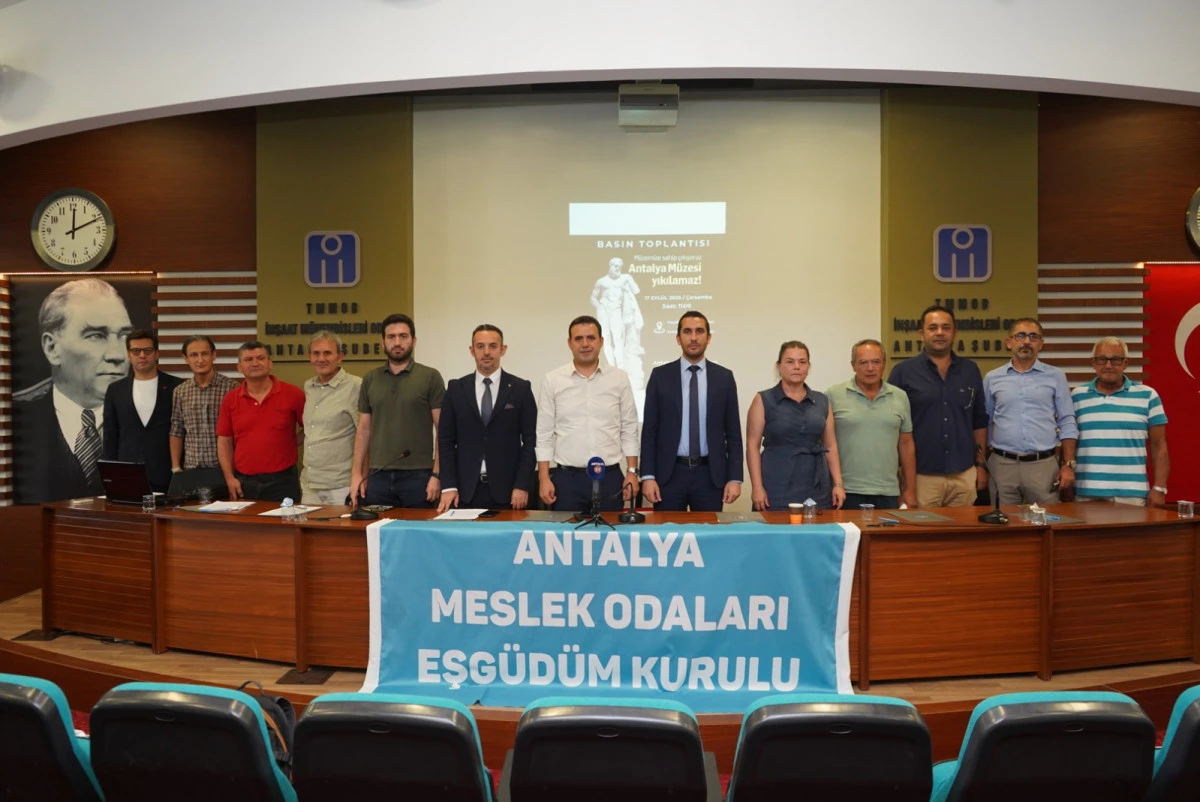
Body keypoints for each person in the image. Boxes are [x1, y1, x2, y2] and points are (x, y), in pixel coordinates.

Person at [14, 278, 133, 503]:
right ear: (52, 348)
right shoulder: (15, 414)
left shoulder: (147, 411)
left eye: (124, 336)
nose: (118, 355)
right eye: (96, 336)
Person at [639, 311, 743, 512]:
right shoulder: (660, 376)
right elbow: (649, 431)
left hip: (710, 476)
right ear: (678, 338)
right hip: (669, 475)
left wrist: (735, 478)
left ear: (708, 337)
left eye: (699, 331)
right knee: (667, 532)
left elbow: (733, 433)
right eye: (687, 332)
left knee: (708, 532)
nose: (693, 337)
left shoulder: (724, 378)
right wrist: (648, 476)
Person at [536, 315, 639, 513]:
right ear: (569, 343)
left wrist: (632, 472)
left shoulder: (619, 378)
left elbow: (629, 428)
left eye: (591, 338)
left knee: (612, 532)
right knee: (567, 533)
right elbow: (544, 434)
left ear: (601, 341)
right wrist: (544, 478)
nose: (585, 344)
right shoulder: (553, 380)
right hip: (567, 481)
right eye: (578, 339)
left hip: (609, 478)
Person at [888, 305, 988, 507]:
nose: (940, 333)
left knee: (963, 528)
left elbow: (979, 422)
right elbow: (892, 426)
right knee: (921, 528)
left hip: (964, 475)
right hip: (920, 477)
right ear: (921, 334)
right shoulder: (903, 372)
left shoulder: (970, 370)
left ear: (954, 333)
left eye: (946, 327)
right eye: (933, 328)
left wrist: (981, 465)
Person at [437, 324, 537, 512]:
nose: (486, 352)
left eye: (492, 346)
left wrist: (522, 485)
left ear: (503, 349)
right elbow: (445, 441)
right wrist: (449, 485)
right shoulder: (456, 388)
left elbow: (530, 441)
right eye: (480, 346)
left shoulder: (520, 388)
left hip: (509, 492)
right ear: (471, 350)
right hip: (465, 491)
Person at [351, 314, 445, 508]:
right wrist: (357, 474)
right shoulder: (370, 379)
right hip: (378, 475)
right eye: (391, 337)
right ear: (383, 342)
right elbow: (364, 430)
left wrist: (436, 474)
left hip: (419, 476)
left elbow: (442, 430)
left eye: (403, 336)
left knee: (418, 528)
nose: (397, 342)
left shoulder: (430, 377)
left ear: (414, 341)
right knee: (377, 527)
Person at [983, 318, 1078, 505]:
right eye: (1020, 336)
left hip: (1043, 466)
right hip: (1002, 465)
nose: (1027, 341)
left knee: (1048, 519)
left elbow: (1067, 421)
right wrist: (982, 464)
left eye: (1033, 337)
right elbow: (984, 423)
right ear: (1009, 342)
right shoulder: (992, 378)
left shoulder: (1056, 376)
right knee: (1004, 520)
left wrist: (1068, 464)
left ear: (1041, 343)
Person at [746, 341, 844, 511]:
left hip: (817, 486)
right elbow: (752, 446)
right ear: (779, 366)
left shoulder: (822, 400)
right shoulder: (763, 399)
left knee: (818, 528)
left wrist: (838, 484)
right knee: (775, 527)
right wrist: (757, 487)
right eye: (790, 362)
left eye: (802, 362)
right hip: (776, 485)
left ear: (808, 366)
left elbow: (831, 445)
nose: (797, 367)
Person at [1071, 336, 1169, 507]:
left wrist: (1160, 488)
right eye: (1102, 359)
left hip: (1132, 493)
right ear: (1093, 363)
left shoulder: (1148, 395)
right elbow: (1069, 444)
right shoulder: (1077, 396)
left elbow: (1159, 446)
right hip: (1086, 492)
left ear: (1125, 363)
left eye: (1115, 359)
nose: (1108, 365)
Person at [827, 339, 916, 511]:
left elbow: (906, 444)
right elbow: (826, 443)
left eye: (876, 362)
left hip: (888, 491)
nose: (870, 368)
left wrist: (910, 489)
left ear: (884, 364)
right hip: (845, 491)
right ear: (853, 365)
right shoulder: (833, 395)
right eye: (863, 362)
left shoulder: (900, 396)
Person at [216, 341, 305, 501]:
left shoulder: (293, 394)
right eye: (248, 359)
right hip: (244, 482)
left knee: (287, 519)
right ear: (239, 367)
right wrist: (229, 478)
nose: (255, 363)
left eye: (260, 358)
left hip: (283, 482)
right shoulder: (230, 399)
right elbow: (224, 441)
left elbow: (311, 428)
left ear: (270, 363)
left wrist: (291, 442)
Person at [101, 329, 183, 492]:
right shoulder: (115, 390)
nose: (142, 355)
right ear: (128, 355)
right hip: (128, 474)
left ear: (156, 353)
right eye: (136, 351)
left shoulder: (177, 387)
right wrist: (109, 477)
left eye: (147, 350)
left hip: (168, 475)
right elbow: (110, 436)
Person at [300, 330, 361, 505]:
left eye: (327, 353)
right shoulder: (309, 386)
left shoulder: (356, 386)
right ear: (310, 357)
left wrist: (361, 478)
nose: (321, 359)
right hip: (310, 485)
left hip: (341, 486)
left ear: (340, 357)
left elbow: (366, 435)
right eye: (316, 353)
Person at [169, 335, 239, 474]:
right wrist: (176, 467)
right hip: (191, 469)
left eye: (205, 354)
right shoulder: (180, 391)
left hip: (225, 470)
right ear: (186, 358)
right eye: (194, 355)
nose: (200, 360)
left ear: (214, 355)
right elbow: (177, 430)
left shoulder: (232, 388)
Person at [589, 257, 644, 374]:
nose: (617, 268)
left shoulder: (625, 278)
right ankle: (611, 365)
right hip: (603, 309)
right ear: (610, 265)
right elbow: (593, 298)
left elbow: (636, 291)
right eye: (615, 266)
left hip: (616, 310)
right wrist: (599, 307)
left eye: (619, 266)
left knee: (618, 337)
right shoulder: (602, 281)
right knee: (605, 337)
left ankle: (620, 366)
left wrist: (627, 286)